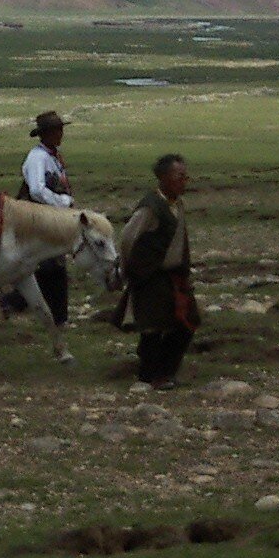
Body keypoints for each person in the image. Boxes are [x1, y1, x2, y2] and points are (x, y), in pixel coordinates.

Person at [118, 153, 197, 390]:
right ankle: (150, 376)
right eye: (178, 176)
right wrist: (131, 269)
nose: (183, 181)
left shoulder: (176, 205)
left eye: (185, 176)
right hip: (152, 276)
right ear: (163, 178)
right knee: (153, 327)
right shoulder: (150, 208)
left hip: (173, 275)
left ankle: (164, 372)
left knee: (186, 321)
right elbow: (128, 238)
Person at [2, 110, 73, 324]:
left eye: (61, 129)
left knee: (50, 266)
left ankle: (55, 315)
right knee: (49, 266)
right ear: (46, 134)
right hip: (35, 221)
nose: (60, 134)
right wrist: (63, 202)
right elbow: (37, 191)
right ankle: (19, 303)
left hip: (47, 219)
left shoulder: (52, 158)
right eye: (56, 130)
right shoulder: (37, 158)